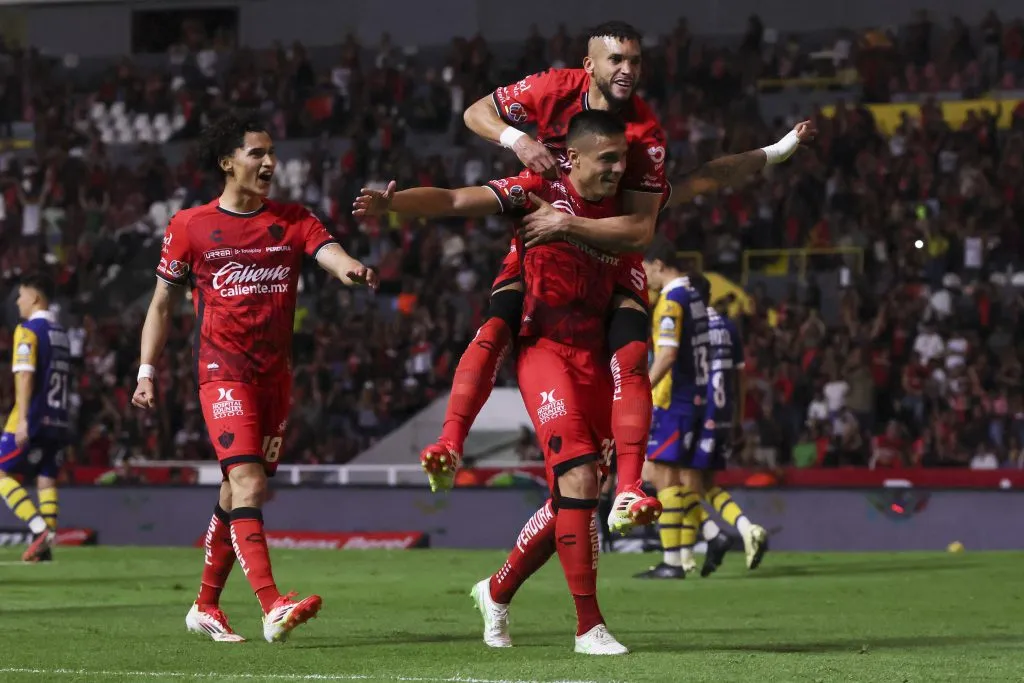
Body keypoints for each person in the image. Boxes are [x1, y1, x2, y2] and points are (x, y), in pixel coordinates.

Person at [354, 110, 644, 654]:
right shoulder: (536, 190)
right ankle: (588, 627)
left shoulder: (627, 213)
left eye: (623, 159)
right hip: (544, 350)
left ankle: (497, 589)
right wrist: (395, 204)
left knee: (570, 503)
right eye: (608, 159)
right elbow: (456, 200)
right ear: (574, 158)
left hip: (593, 357)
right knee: (579, 481)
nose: (618, 169)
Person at [132, 110, 377, 643]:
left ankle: (205, 605)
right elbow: (161, 305)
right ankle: (272, 605)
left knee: (234, 490)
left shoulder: (292, 219)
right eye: (256, 153)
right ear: (227, 162)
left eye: (272, 153)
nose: (269, 162)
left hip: (275, 378)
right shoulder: (189, 226)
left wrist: (351, 267)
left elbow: (328, 253)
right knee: (250, 483)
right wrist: (146, 369)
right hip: (223, 373)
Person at [637, 241, 765, 580]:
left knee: (664, 476)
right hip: (698, 400)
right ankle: (706, 538)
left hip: (675, 399)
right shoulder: (696, 300)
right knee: (675, 477)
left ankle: (674, 561)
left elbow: (666, 355)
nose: (643, 276)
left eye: (645, 268)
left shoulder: (673, 299)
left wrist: (640, 389)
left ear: (659, 264)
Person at [0, 273, 70, 562]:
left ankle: (39, 529)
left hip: (33, 415)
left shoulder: (28, 330)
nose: (18, 301)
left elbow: (25, 375)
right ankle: (47, 544)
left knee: (1, 472)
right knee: (45, 477)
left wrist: (24, 419)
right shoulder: (61, 332)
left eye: (21, 295)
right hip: (58, 416)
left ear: (35, 298)